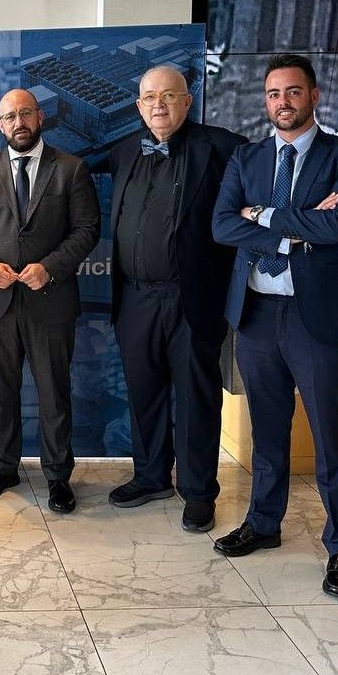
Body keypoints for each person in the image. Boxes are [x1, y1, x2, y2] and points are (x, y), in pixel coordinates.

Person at [211, 53, 338, 599]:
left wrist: (260, 216)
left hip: (317, 318)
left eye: (293, 92)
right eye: (274, 93)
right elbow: (221, 225)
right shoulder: (246, 157)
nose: (282, 101)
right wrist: (291, 233)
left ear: (314, 96)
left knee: (331, 434)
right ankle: (263, 523)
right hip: (258, 313)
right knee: (268, 428)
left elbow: (337, 225)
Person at [106, 66, 245, 533]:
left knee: (196, 399)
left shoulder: (223, 148)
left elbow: (261, 186)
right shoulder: (124, 151)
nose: (159, 104)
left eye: (169, 95)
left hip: (192, 299)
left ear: (189, 100)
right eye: (149, 96)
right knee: (143, 394)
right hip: (134, 298)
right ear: (138, 105)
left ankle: (199, 492)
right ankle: (150, 476)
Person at [0, 88, 100, 514]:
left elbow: (87, 230)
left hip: (49, 299)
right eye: (9, 117)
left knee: (54, 392)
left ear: (40, 117)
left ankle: (58, 477)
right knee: (1, 391)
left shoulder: (71, 169)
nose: (18, 123)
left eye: (25, 114)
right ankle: (3, 468)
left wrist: (49, 267)